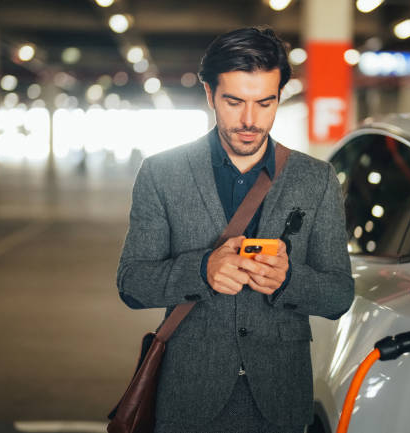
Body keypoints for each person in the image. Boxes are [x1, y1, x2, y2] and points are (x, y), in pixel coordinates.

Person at [116, 26, 354, 433]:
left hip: (280, 398)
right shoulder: (162, 173)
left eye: (265, 103)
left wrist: (288, 280)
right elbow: (133, 283)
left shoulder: (315, 179)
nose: (249, 120)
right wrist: (202, 270)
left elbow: (338, 295)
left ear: (280, 96)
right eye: (234, 102)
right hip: (188, 396)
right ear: (209, 94)